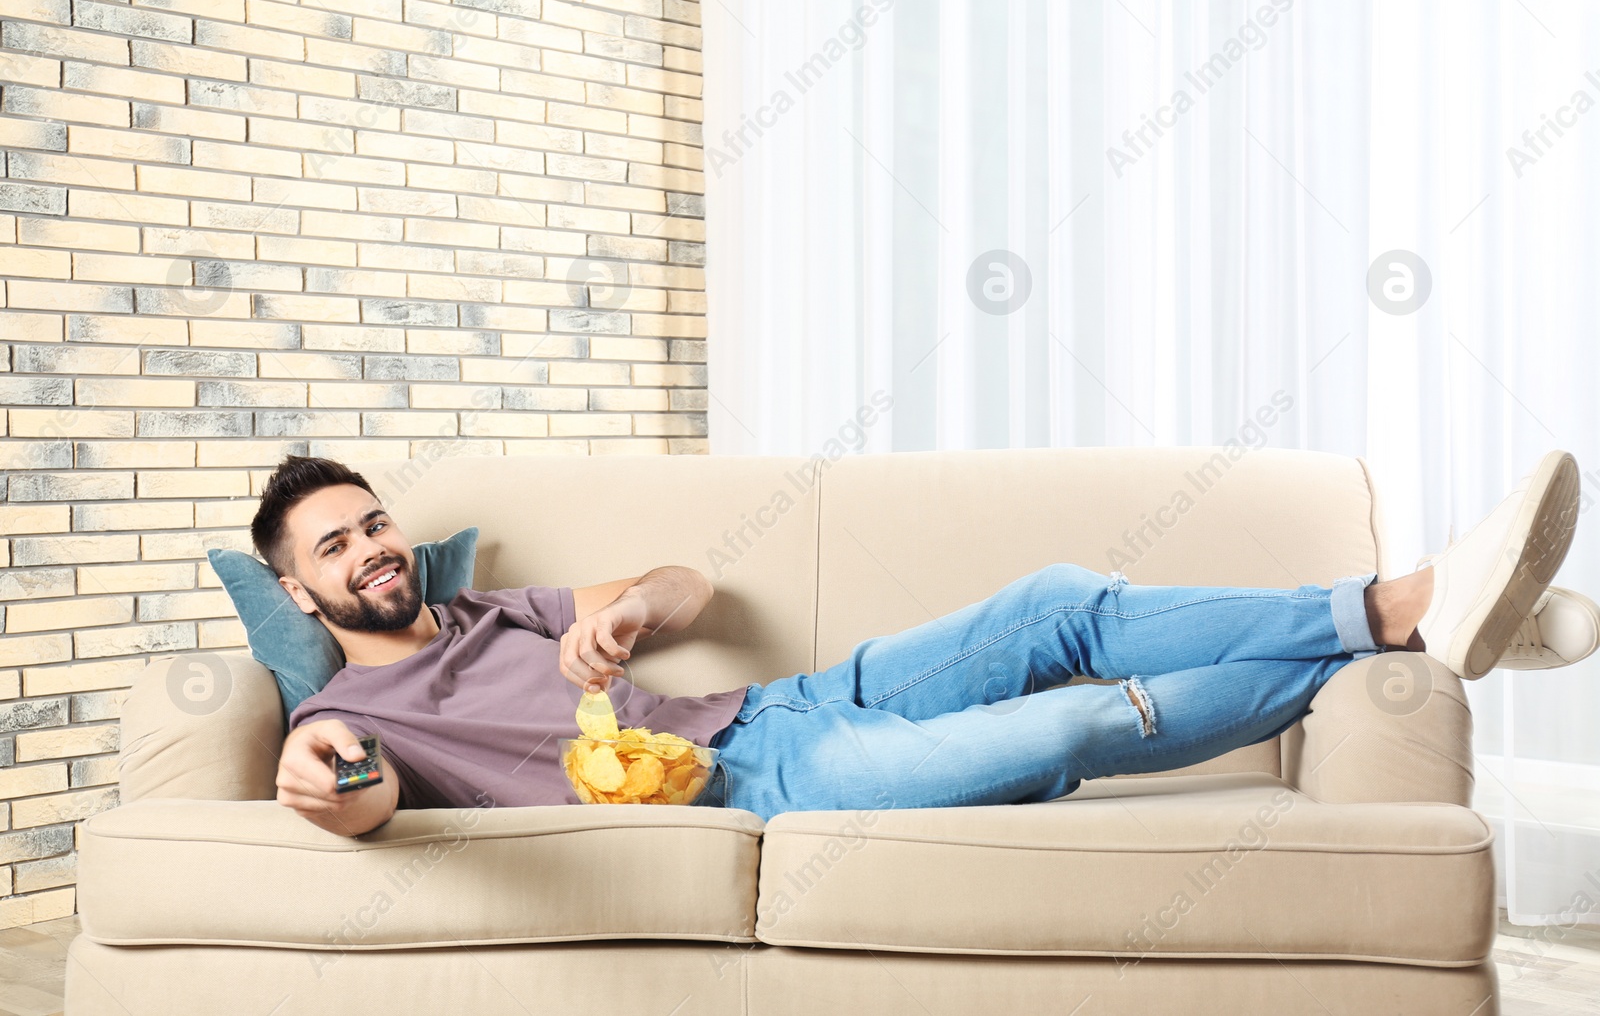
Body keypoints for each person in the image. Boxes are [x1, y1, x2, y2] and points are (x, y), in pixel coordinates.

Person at [266, 451, 1590, 834]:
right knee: (1068, 721)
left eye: (374, 522)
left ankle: (1396, 606)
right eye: (336, 549)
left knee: (1062, 597)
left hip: (789, 702)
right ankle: (1428, 621)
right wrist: (329, 777)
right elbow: (336, 785)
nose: (373, 548)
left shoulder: (501, 609)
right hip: (763, 787)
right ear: (304, 595)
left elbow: (682, 582)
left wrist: (624, 614)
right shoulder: (358, 718)